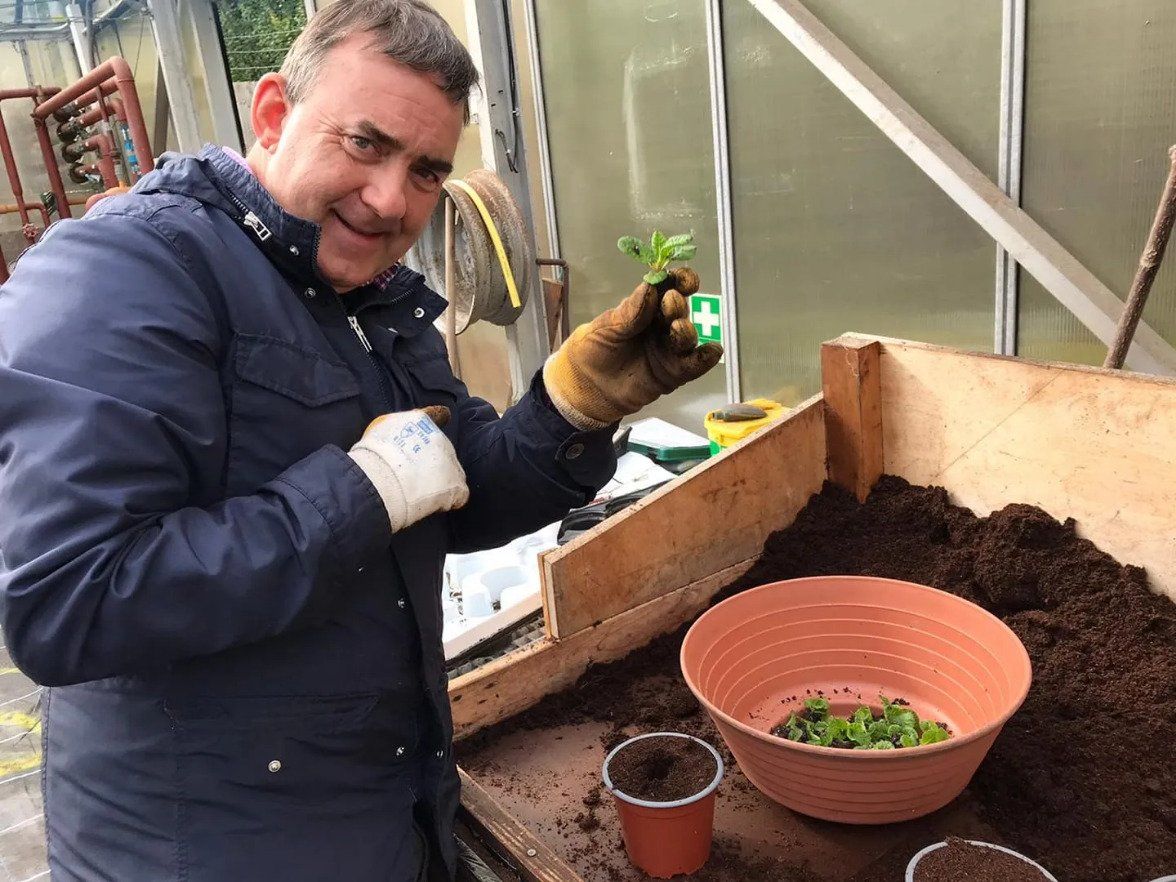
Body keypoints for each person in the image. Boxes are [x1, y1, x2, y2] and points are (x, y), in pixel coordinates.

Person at [0, 1, 722, 879]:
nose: (390, 200)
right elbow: (70, 602)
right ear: (274, 113)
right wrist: (359, 494)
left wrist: (573, 408)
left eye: (426, 170)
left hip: (385, 809)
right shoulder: (129, 271)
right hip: (211, 849)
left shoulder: (370, 298)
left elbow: (456, 489)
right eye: (365, 143)